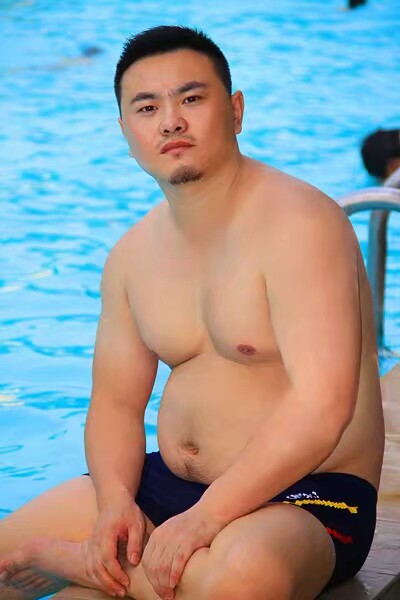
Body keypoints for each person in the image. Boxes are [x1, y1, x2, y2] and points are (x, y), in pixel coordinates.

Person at [0, 25, 385, 600]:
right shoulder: (132, 256)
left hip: (305, 496)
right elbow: (115, 404)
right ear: (126, 131)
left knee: (243, 581)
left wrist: (206, 518)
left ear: (235, 110)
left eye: (191, 98)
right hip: (168, 485)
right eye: (147, 108)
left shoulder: (302, 224)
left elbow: (322, 407)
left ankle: (77, 566)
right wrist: (115, 503)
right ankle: (107, 559)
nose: (170, 122)